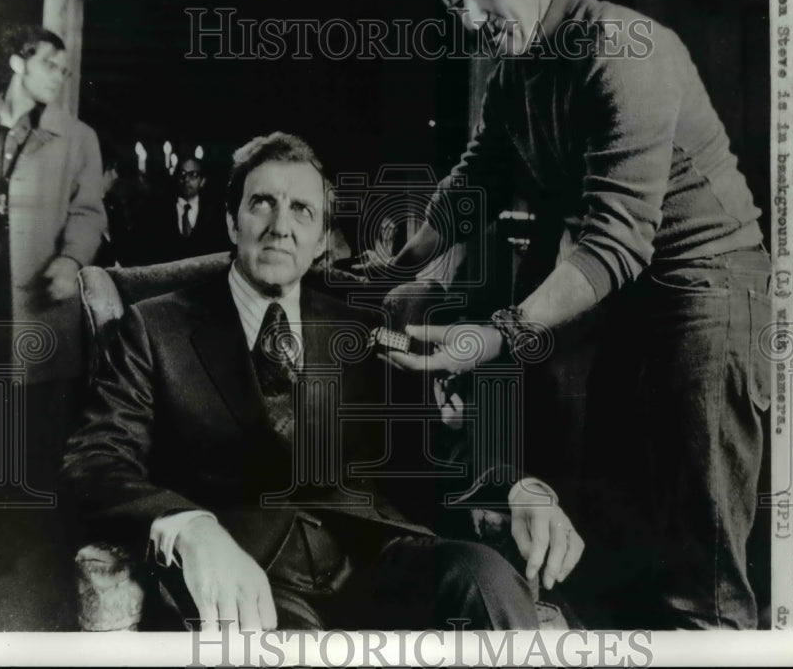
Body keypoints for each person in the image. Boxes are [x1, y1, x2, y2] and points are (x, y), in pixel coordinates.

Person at [370, 0, 772, 630]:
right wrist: (406, 256)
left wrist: (496, 334)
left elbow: (615, 239)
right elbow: (481, 174)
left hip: (706, 288)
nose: (467, 15)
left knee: (700, 559)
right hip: (619, 290)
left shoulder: (625, 49)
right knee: (616, 525)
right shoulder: (516, 62)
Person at [61, 132, 582, 631]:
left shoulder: (360, 328)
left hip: (373, 555)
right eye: (262, 203)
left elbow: (434, 446)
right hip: (248, 570)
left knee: (483, 578)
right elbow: (96, 459)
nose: (280, 226)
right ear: (230, 221)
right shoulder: (152, 328)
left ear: (319, 241)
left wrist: (516, 485)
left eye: (302, 211)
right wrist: (190, 526)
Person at [0, 24, 106, 629]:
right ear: (17, 62)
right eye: (50, 63)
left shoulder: (76, 137)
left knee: (35, 436)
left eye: (63, 66)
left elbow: (88, 213)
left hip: (36, 307)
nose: (60, 73)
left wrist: (69, 259)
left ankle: (39, 563)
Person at [141, 156, 229, 263]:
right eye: (182, 174)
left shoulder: (215, 212)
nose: (186, 179)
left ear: (202, 181)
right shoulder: (160, 210)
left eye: (193, 175)